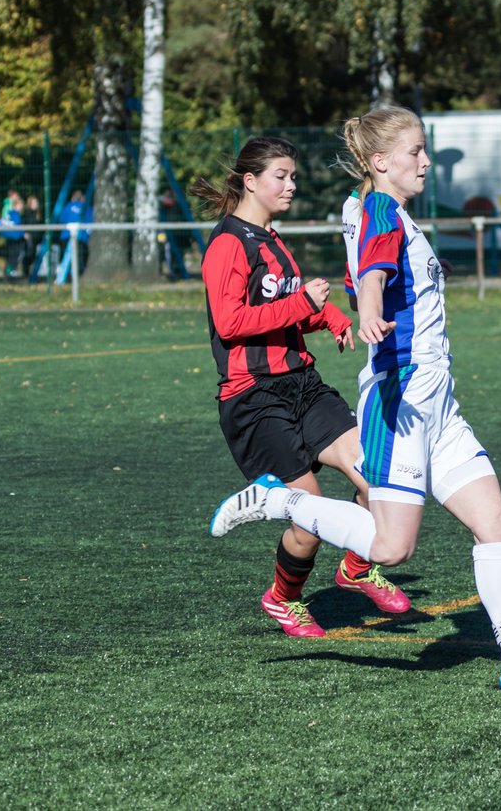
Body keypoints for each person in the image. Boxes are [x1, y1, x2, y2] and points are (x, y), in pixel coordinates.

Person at [210, 109, 501, 692]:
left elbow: (362, 238)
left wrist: (342, 307)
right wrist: (365, 309)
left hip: (438, 400)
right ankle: (281, 502)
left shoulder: (372, 208)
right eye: (415, 151)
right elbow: (374, 268)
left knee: (495, 521)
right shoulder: (383, 211)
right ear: (382, 162)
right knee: (393, 545)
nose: (426, 162)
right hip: (401, 395)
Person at [192, 135, 412, 637]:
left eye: (293, 176)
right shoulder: (228, 244)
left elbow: (281, 313)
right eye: (281, 177)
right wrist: (304, 305)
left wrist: (329, 316)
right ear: (250, 181)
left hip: (304, 386)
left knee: (378, 477)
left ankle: (356, 569)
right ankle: (283, 597)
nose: (291, 185)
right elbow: (231, 324)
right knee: (308, 514)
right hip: (254, 399)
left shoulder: (272, 240)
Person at [0, 190, 25, 279]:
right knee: (13, 254)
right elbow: (9, 220)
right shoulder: (10, 208)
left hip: (12, 234)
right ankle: (9, 271)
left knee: (13, 254)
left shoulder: (12, 210)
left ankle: (9, 271)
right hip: (12, 234)